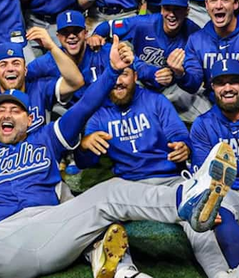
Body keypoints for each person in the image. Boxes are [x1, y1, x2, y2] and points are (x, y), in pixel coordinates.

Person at [0, 35, 236, 278]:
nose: (6, 114)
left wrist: (111, 71)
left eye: (15, 110)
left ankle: (186, 200)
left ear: (29, 119)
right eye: (0, 110)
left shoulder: (45, 138)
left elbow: (86, 105)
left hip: (56, 227)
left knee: (110, 191)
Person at [75, 63, 234, 278]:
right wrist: (84, 146)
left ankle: (220, 274)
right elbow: (85, 161)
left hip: (169, 179)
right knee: (99, 212)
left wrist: (183, 147)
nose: (118, 81)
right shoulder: (99, 115)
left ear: (135, 76)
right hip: (128, 185)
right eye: (113, 76)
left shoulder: (155, 101)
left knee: (196, 217)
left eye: (124, 74)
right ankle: (124, 271)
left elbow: (179, 136)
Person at [90, 0, 208, 122]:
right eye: (167, 8)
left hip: (175, 89)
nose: (172, 14)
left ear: (187, 11)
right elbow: (107, 27)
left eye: (177, 9)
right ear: (161, 9)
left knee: (205, 112)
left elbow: (194, 84)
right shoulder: (144, 23)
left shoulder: (194, 34)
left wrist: (179, 74)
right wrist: (96, 35)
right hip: (141, 84)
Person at [0, 27, 84, 134]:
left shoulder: (41, 88)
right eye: (3, 64)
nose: (10, 69)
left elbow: (76, 82)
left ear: (25, 70)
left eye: (16, 63)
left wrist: (52, 47)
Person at [191, 58, 239, 274]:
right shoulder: (203, 124)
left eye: (233, 81)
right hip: (227, 190)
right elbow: (206, 175)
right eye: (221, 83)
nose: (227, 88)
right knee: (218, 208)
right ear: (212, 87)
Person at [169, 0, 239, 104]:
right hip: (213, 102)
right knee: (174, 101)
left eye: (225, 0)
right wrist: (181, 73)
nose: (218, 6)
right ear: (206, 5)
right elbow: (193, 85)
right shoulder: (196, 40)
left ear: (236, 4)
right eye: (213, 0)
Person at [26, 10, 111, 107]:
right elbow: (22, 78)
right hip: (71, 114)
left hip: (105, 110)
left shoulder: (101, 51)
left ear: (85, 33)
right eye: (65, 32)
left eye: (76, 31)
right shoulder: (48, 61)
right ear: (58, 36)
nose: (71, 36)